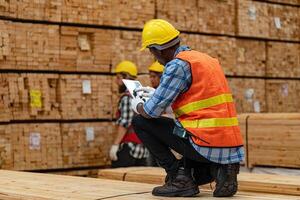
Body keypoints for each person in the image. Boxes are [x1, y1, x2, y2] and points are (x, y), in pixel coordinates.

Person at [130, 19, 244, 197]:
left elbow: (151, 112)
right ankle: (221, 168)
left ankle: (179, 178)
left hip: (203, 141)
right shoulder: (207, 60)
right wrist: (156, 94)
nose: (154, 57)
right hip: (229, 143)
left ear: (159, 49)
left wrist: (137, 104)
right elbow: (197, 101)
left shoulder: (177, 65)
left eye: (152, 51)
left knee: (140, 121)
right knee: (193, 172)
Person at [109, 60, 149, 168]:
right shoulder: (140, 96)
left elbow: (125, 123)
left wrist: (115, 144)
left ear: (125, 76)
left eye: (118, 77)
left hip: (129, 149)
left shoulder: (127, 98)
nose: (116, 82)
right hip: (142, 150)